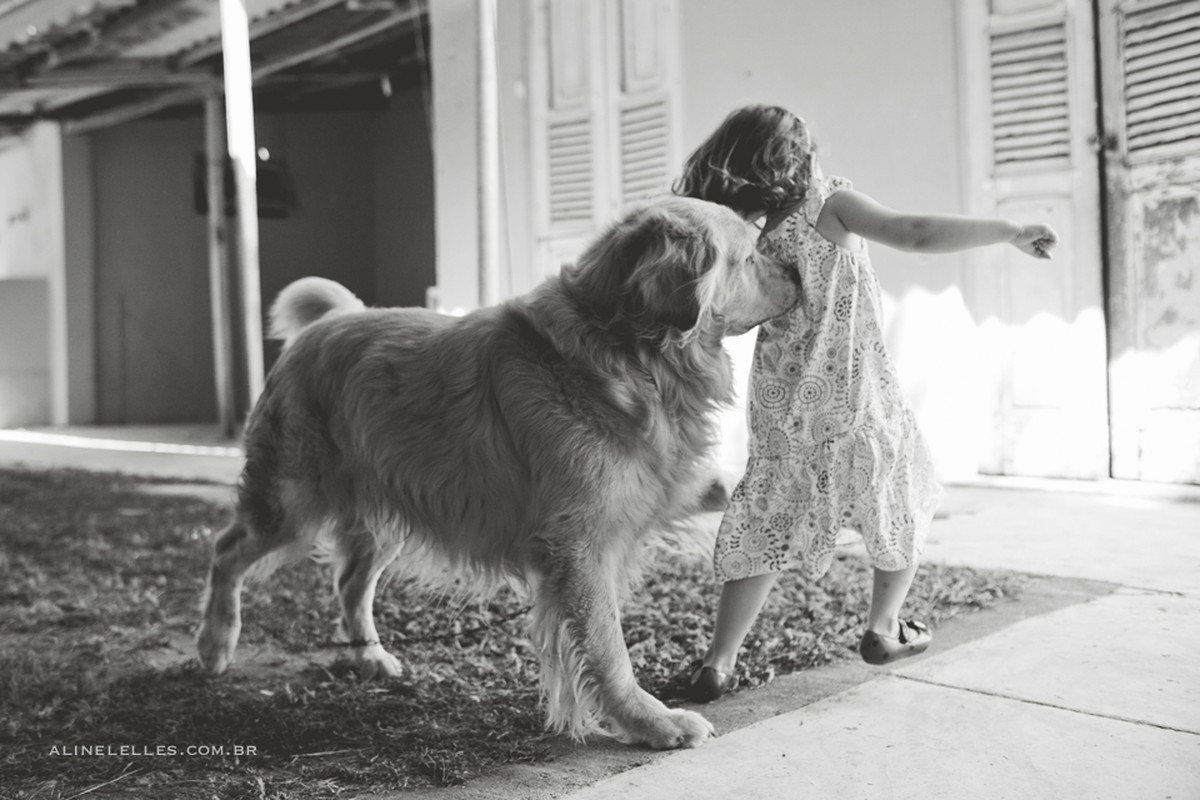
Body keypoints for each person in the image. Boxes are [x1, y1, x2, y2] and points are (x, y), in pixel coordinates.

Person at [672, 104, 1058, 702]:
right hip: (857, 396)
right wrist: (1007, 231)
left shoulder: (752, 236)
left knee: (766, 521)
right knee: (901, 491)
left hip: (784, 408)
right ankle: (884, 626)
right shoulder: (831, 205)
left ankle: (718, 662)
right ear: (799, 158)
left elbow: (732, 317)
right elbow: (915, 232)